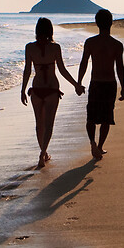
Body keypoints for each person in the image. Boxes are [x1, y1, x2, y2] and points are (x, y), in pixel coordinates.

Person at [21, 17, 83, 168]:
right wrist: (76, 84)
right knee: (49, 124)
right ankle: (43, 152)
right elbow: (62, 70)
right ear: (50, 31)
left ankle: (43, 152)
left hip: (36, 89)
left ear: (37, 30)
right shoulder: (55, 48)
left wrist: (22, 90)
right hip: (52, 90)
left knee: (39, 124)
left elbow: (27, 71)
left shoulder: (29, 48)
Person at [77, 8, 124, 160]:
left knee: (91, 117)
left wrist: (79, 82)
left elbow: (83, 63)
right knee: (107, 118)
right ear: (111, 23)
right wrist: (123, 87)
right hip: (110, 83)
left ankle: (92, 142)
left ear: (97, 23)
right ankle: (99, 146)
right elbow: (120, 68)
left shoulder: (91, 42)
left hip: (96, 83)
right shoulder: (117, 45)